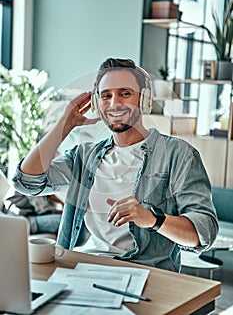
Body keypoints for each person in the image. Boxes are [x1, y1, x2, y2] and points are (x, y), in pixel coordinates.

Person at [13, 58, 218, 272]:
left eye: (125, 93)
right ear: (96, 104)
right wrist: (64, 124)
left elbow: (204, 232)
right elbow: (26, 182)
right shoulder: (84, 156)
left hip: (143, 273)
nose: (114, 103)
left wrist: (152, 219)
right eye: (106, 96)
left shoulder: (178, 154)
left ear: (144, 100)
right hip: (79, 267)